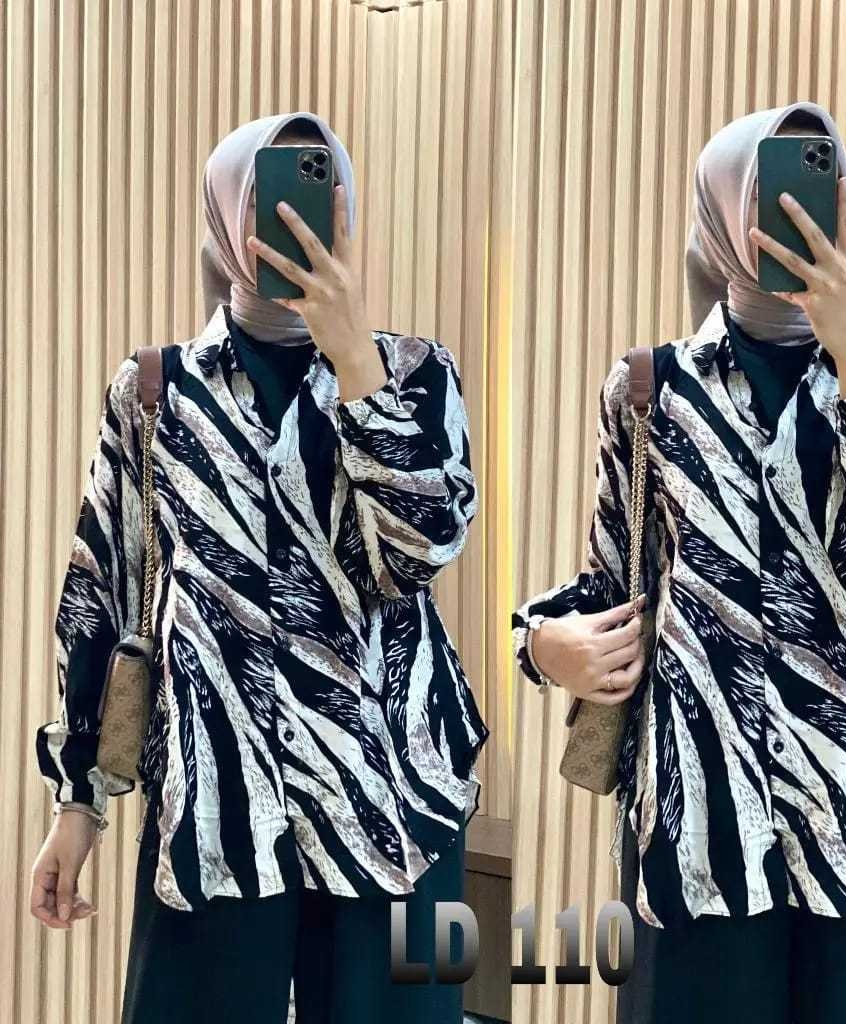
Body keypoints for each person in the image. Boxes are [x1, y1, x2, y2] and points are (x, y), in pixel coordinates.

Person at [511, 101, 846, 1023]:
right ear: (722, 211)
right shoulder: (650, 387)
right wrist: (542, 642)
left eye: (818, 187)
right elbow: (612, 578)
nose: (796, 216)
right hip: (703, 830)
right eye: (771, 193)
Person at [30, 111, 489, 1024]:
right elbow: (99, 595)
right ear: (223, 214)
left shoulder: (417, 372)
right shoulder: (154, 389)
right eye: (265, 199)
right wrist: (78, 803)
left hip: (396, 805)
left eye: (318, 194)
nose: (289, 223)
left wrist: (354, 358)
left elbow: (423, 553)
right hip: (215, 803)